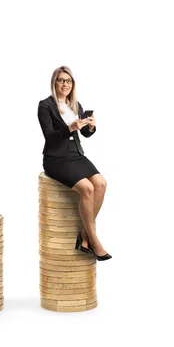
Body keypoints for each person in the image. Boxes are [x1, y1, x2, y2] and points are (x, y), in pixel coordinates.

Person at [37, 66, 111, 261]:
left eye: (68, 81)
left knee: (101, 184)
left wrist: (91, 127)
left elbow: (84, 133)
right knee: (87, 188)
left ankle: (84, 235)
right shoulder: (45, 105)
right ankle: (94, 239)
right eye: (61, 80)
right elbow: (50, 137)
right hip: (56, 158)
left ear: (72, 84)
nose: (65, 84)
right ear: (55, 82)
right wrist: (70, 128)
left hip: (76, 155)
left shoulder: (75, 105)